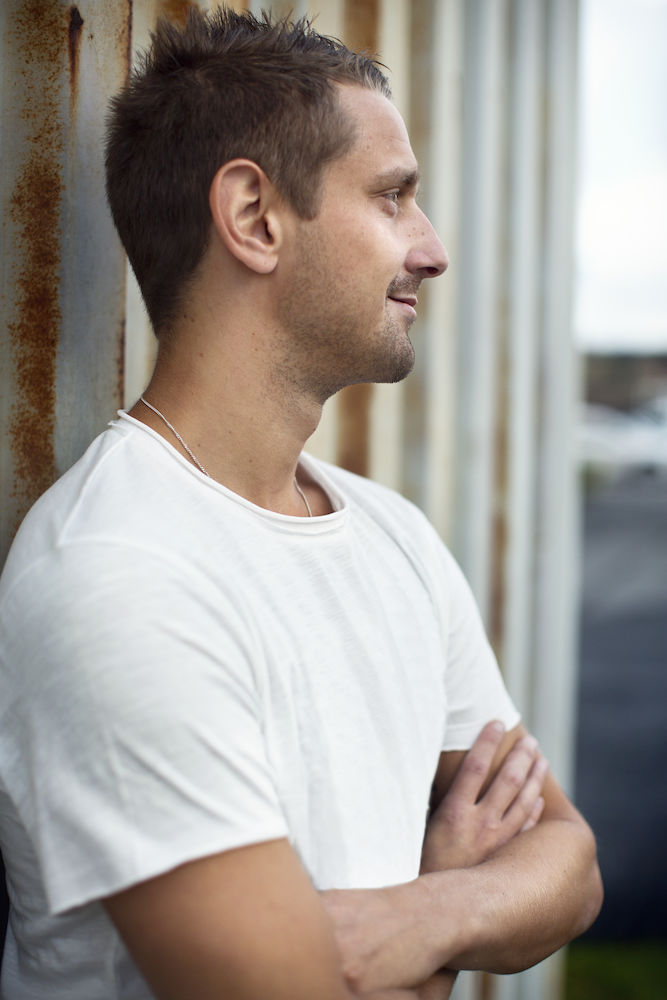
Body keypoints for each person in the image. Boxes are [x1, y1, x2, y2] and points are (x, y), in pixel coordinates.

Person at [0, 8, 602, 1000]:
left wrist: (421, 915)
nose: (432, 249)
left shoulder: (393, 536)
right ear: (255, 218)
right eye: (392, 197)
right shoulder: (118, 574)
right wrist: (462, 925)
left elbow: (567, 861)